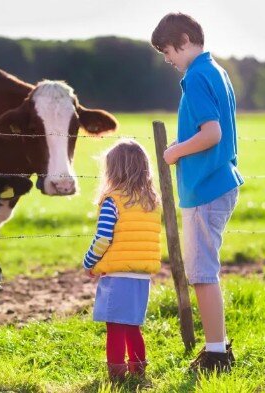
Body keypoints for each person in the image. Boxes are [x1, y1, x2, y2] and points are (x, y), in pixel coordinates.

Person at [151, 12, 244, 372]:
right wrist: (184, 143)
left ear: (186, 39)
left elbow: (212, 134)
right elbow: (207, 131)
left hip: (206, 186)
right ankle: (216, 348)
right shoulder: (215, 71)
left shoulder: (197, 75)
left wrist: (174, 151)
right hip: (216, 181)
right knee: (203, 271)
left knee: (202, 274)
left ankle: (217, 354)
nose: (167, 59)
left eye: (168, 50)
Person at [82, 139, 162, 382]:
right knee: (132, 326)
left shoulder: (113, 200)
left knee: (115, 326)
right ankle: (138, 371)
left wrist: (89, 262)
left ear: (112, 171)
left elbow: (104, 237)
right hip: (142, 276)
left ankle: (116, 374)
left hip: (118, 276)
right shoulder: (150, 202)